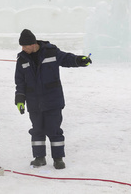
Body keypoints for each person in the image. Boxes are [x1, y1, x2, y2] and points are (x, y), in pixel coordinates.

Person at [14, 29, 92, 169]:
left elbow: (66, 58)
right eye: (22, 47)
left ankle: (58, 159)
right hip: (34, 103)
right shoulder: (22, 60)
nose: (23, 49)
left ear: (33, 44)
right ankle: (39, 158)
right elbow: (19, 82)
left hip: (52, 100)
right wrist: (20, 100)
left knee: (54, 129)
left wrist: (79, 60)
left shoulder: (51, 52)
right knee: (37, 130)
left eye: (25, 46)